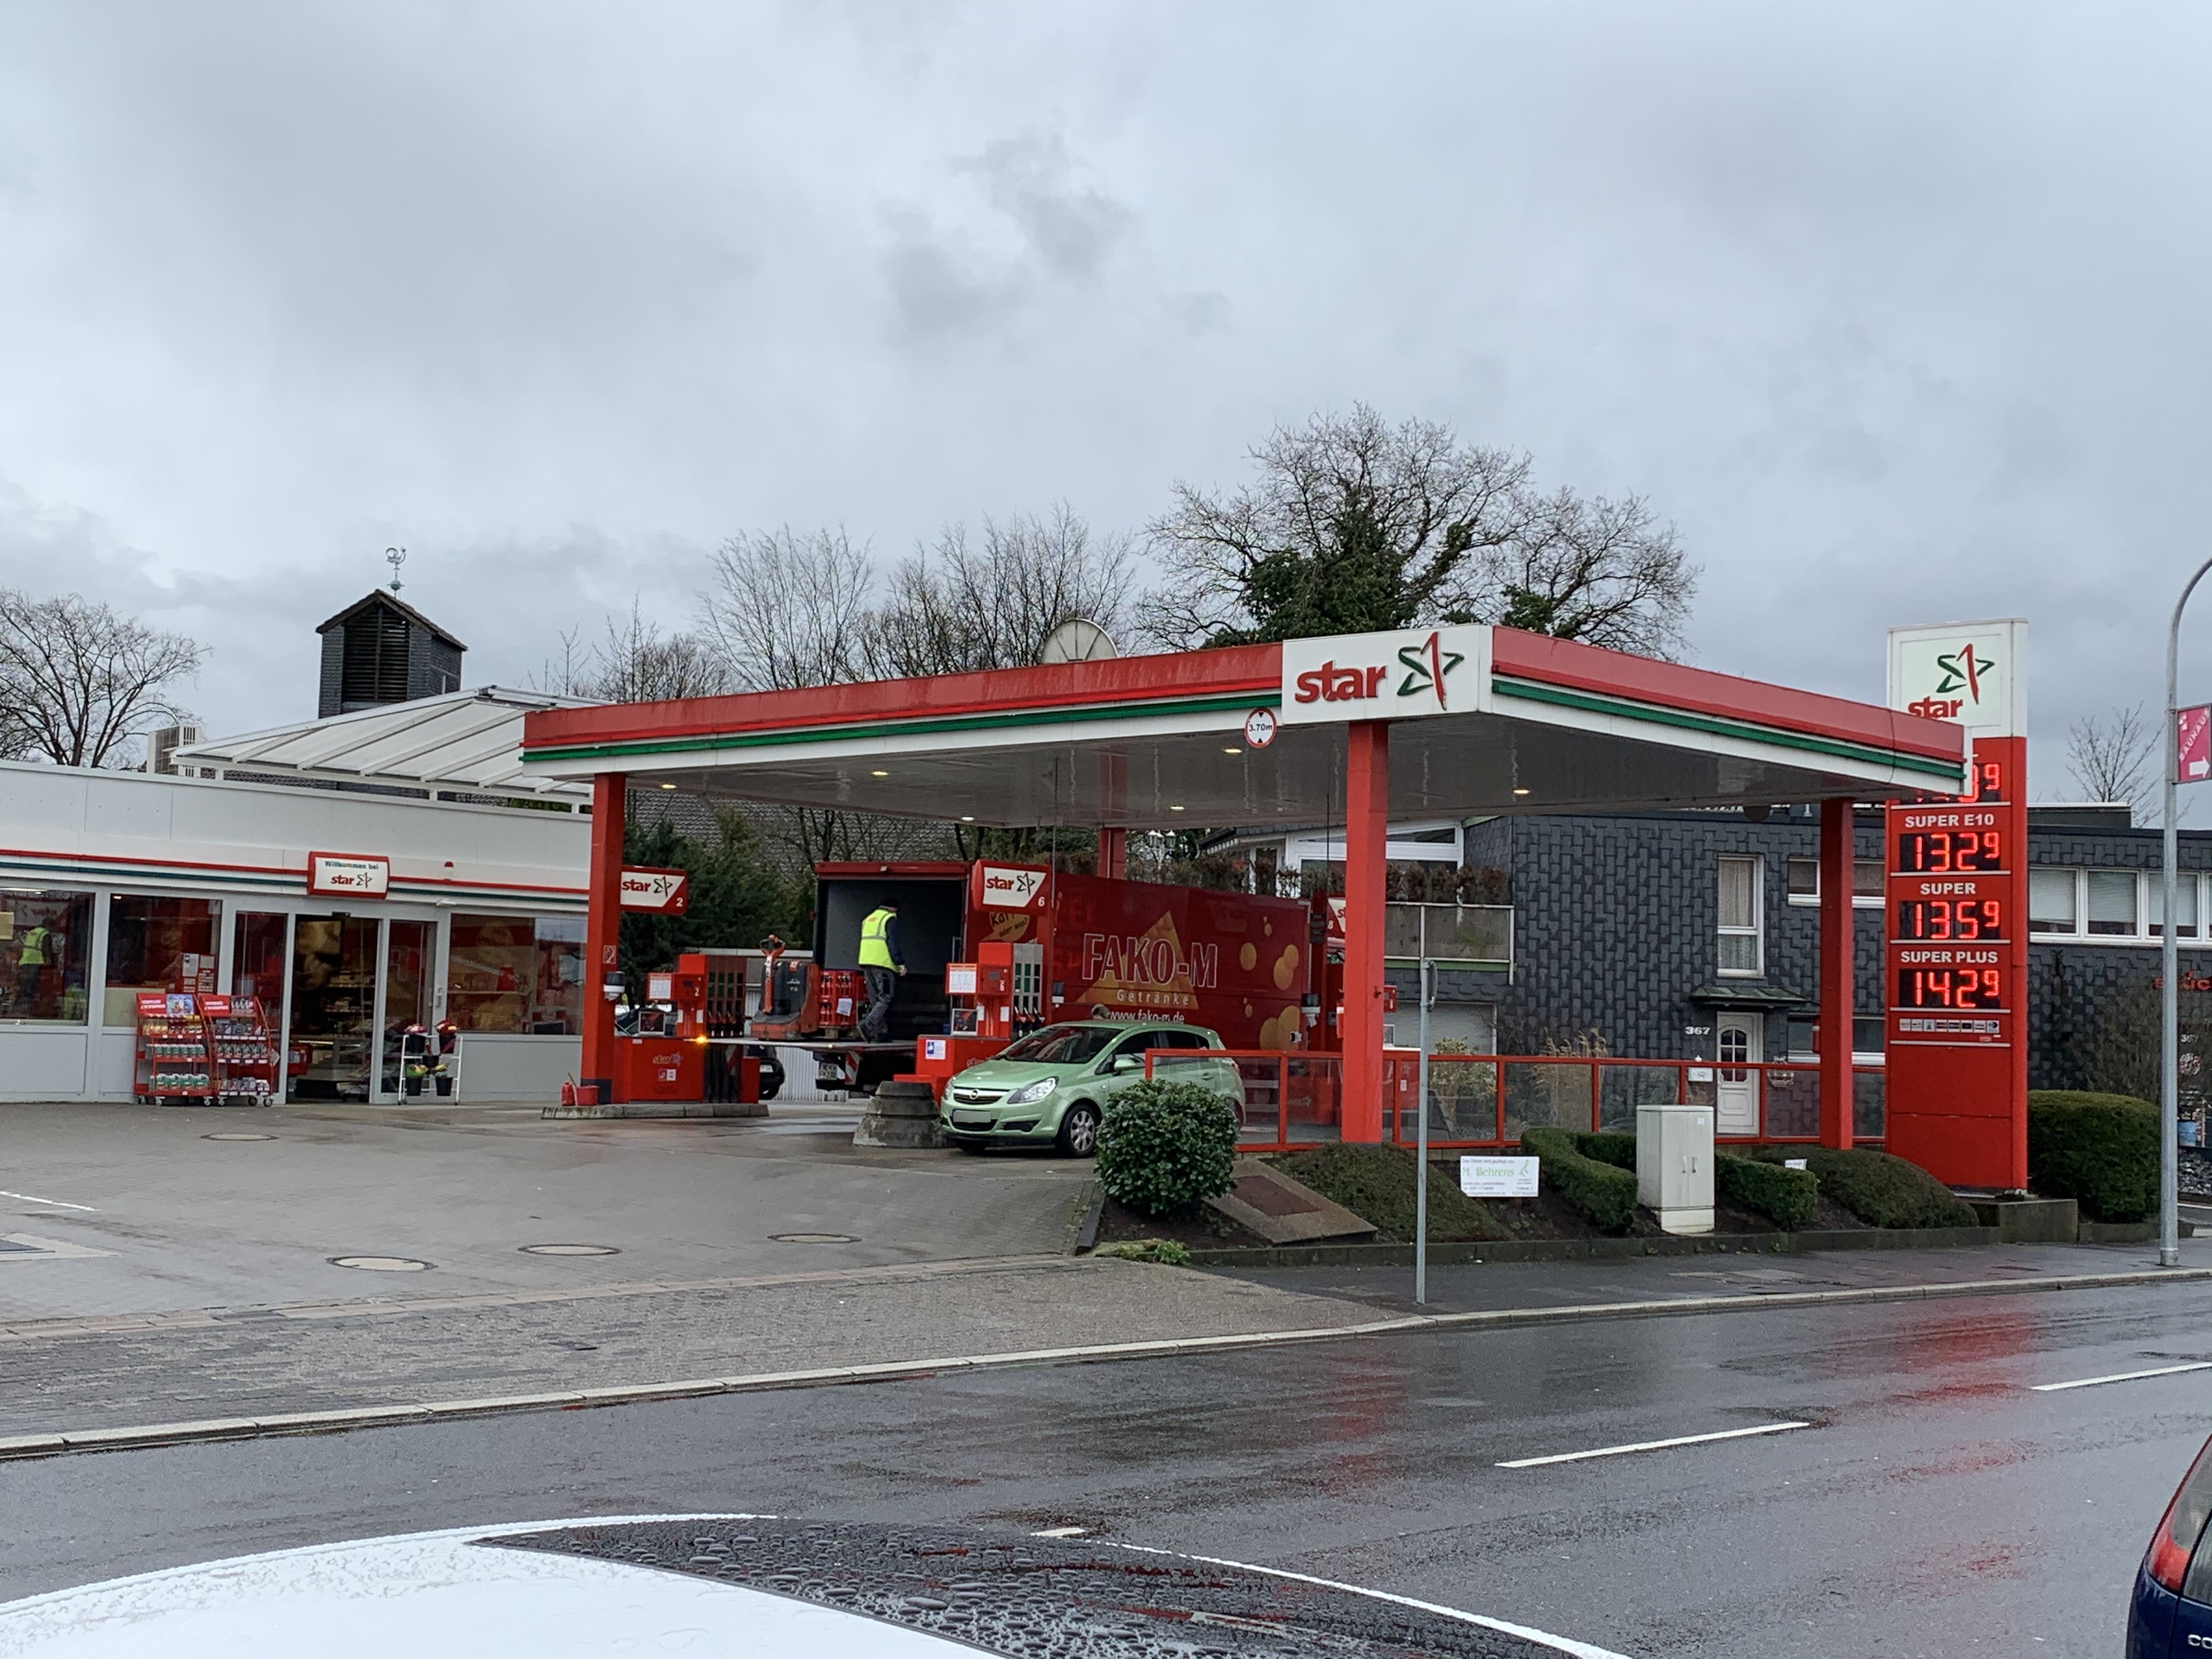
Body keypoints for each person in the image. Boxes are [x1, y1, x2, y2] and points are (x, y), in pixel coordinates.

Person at [856, 900, 904, 1042]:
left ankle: (881, 1033)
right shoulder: (890, 918)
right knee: (885, 998)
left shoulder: (868, 919)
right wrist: (900, 963)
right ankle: (868, 1025)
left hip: (866, 962)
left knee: (875, 999)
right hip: (882, 964)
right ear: (892, 908)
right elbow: (892, 942)